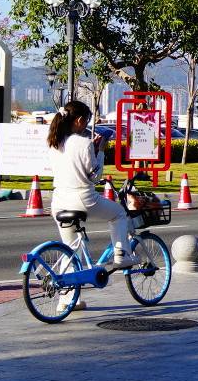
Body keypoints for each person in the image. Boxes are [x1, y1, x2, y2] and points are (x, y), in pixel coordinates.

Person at [47, 102, 139, 268]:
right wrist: (101, 151)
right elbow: (94, 177)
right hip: (83, 198)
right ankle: (122, 256)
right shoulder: (84, 143)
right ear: (80, 120)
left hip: (59, 201)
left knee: (71, 249)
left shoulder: (54, 142)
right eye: (87, 121)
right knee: (119, 214)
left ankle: (66, 291)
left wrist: (92, 152)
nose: (86, 125)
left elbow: (73, 165)